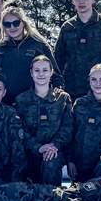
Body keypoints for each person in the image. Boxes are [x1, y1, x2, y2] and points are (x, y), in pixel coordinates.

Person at [0, 0, 62, 104]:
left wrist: (56, 97)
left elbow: (55, 75)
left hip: (33, 105)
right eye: (7, 24)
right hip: (4, 106)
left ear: (23, 23)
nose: (12, 27)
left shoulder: (39, 45)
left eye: (16, 23)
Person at [15, 55, 73, 186]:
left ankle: (52, 198)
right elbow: (20, 130)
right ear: (31, 73)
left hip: (55, 152)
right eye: (37, 70)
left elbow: (68, 128)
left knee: (50, 163)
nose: (41, 74)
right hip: (30, 152)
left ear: (51, 72)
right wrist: (38, 148)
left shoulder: (62, 98)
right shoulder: (21, 100)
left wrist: (54, 146)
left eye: (45, 70)